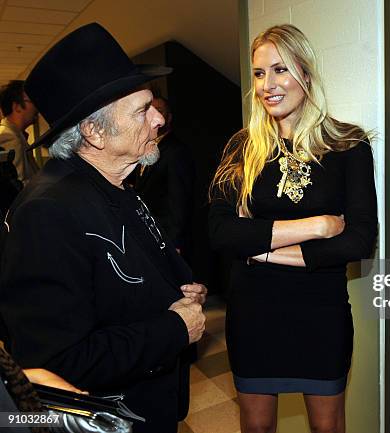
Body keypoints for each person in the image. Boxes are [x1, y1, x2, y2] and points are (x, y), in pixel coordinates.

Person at [0, 23, 206, 433]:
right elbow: (56, 362)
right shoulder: (47, 212)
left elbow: (131, 269)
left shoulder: (117, 182)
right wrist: (174, 328)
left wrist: (182, 288)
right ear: (94, 131)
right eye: (142, 111)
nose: (158, 121)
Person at [208, 24, 377, 433]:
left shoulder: (348, 146)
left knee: (327, 428)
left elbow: (359, 239)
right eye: (259, 73)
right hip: (254, 311)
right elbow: (221, 233)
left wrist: (261, 248)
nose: (268, 84)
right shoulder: (241, 147)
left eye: (280, 69)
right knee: (258, 427)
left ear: (305, 72)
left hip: (321, 312)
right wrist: (317, 226)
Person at [130, 96, 195, 257]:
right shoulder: (144, 147)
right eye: (147, 111)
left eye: (160, 111)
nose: (155, 117)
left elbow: (178, 200)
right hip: (147, 235)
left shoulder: (176, 152)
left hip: (166, 238)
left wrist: (175, 243)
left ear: (169, 117)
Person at [0, 80, 39, 183]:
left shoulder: (17, 135)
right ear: (17, 107)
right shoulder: (8, 136)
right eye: (32, 101)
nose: (37, 107)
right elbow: (18, 184)